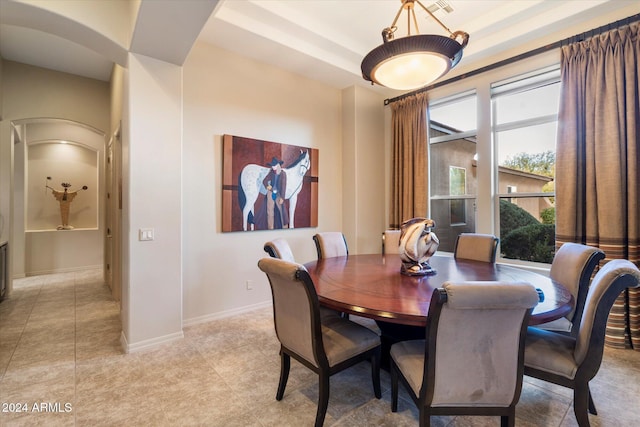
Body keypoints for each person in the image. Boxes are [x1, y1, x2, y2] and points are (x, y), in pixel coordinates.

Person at [255, 157, 289, 229]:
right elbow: (264, 181)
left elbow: (283, 186)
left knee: (282, 211)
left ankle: (285, 227)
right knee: (269, 211)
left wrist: (282, 197)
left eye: (274, 165)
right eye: (272, 166)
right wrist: (268, 186)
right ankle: (271, 228)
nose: (273, 167)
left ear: (278, 165)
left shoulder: (283, 174)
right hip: (271, 193)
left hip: (279, 194)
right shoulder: (271, 173)